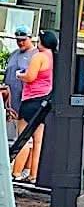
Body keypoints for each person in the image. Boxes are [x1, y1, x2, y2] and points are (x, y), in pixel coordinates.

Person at [11, 30, 57, 183]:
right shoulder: (54, 57)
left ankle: (16, 173)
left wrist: (19, 75)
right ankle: (33, 175)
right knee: (38, 142)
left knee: (23, 138)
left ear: (42, 42)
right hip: (45, 99)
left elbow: (30, 76)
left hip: (31, 98)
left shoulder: (39, 56)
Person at [3, 26, 37, 145]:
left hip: (25, 103)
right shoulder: (13, 54)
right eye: (18, 40)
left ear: (30, 38)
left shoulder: (35, 56)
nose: (20, 42)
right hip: (8, 103)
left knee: (21, 139)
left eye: (23, 40)